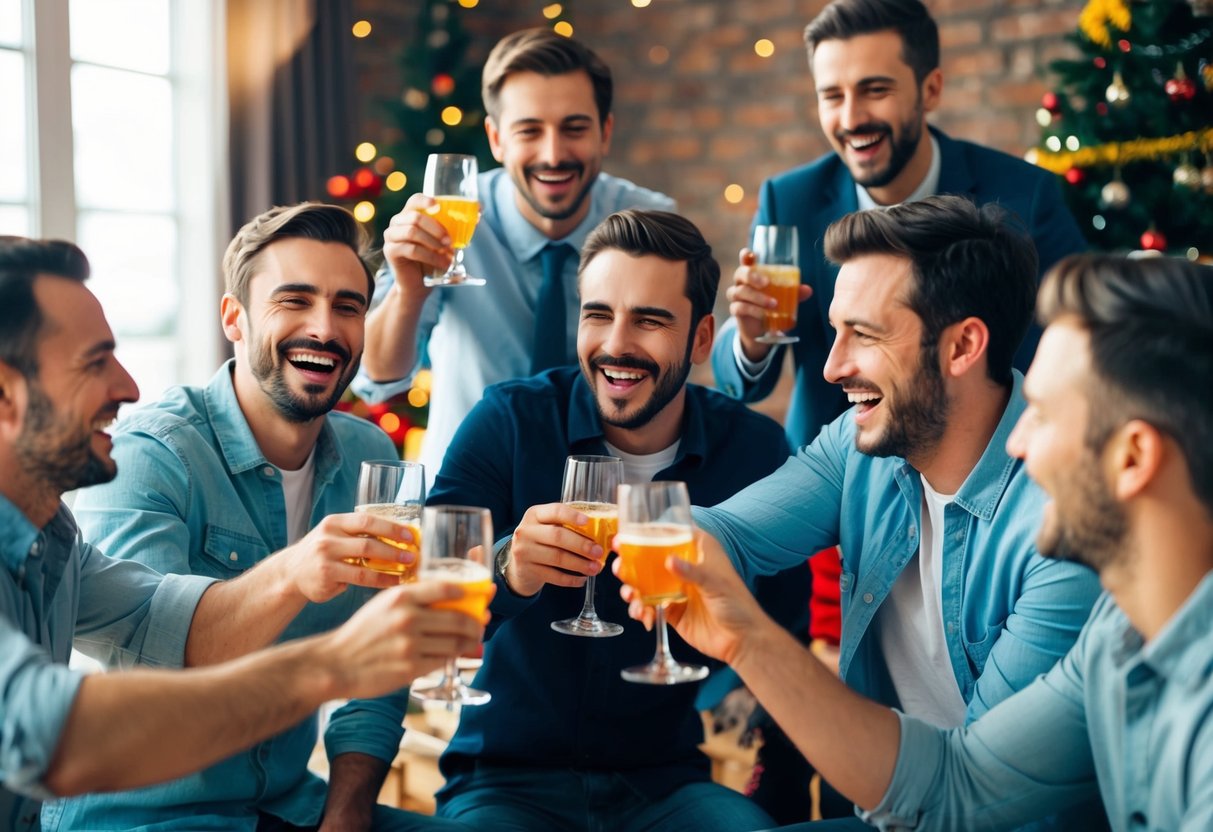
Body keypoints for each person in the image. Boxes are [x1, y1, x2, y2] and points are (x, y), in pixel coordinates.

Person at [634, 253, 1213, 831]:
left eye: (1044, 412)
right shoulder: (1115, 636)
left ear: (1133, 457)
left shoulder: (1070, 568)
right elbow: (959, 782)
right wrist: (744, 638)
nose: (1018, 442)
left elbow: (969, 811)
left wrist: (748, 638)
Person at [0, 235, 485, 832]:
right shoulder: (157, 450)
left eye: (348, 306)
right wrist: (334, 660)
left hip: (282, 805)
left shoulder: (51, 535)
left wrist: (300, 577)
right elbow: (54, 735)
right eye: (94, 362)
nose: (128, 387)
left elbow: (162, 621)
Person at [678, 195, 1101, 825]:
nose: (830, 366)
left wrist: (747, 639)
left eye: (865, 335)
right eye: (836, 330)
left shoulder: (1064, 531)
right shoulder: (860, 442)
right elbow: (725, 534)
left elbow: (974, 794)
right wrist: (612, 527)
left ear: (962, 347)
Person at [427, 210, 791, 831]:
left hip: (667, 783)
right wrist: (507, 568)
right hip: (504, 782)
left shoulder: (754, 451)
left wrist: (778, 800)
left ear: (702, 339)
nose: (616, 344)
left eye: (649, 320)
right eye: (598, 314)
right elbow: (426, 596)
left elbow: (787, 630)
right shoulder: (509, 421)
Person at [712, 0, 1087, 450]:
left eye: (875, 90)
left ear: (930, 90)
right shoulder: (788, 199)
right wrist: (750, 340)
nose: (851, 119)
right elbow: (743, 383)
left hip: (984, 468)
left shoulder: (1028, 197)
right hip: (828, 470)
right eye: (832, 96)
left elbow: (1071, 345)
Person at [355, 28, 674, 487]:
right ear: (497, 138)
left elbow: (683, 359)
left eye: (574, 128)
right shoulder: (449, 217)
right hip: (463, 490)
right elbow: (377, 377)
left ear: (605, 132)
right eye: (529, 130)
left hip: (600, 497)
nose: (553, 154)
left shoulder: (650, 222)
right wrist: (409, 290)